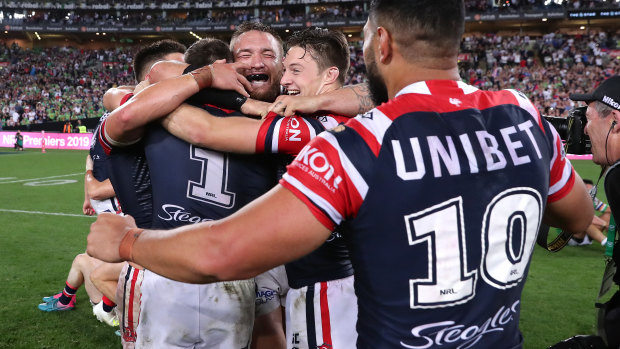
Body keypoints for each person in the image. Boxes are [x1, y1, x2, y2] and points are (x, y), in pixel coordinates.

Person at [89, 3, 594, 347]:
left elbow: (222, 253)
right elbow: (579, 215)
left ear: (382, 43)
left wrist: (130, 243)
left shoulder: (359, 144)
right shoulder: (525, 117)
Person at [161, 27, 358, 348]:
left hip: (322, 281)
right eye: (288, 70)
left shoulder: (306, 125)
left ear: (329, 75)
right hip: (309, 272)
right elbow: (160, 69)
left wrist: (145, 104)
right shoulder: (337, 113)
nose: (286, 79)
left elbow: (203, 130)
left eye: (295, 70)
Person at [99, 36, 286, 349]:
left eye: (267, 53)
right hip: (229, 272)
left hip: (161, 262)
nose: (255, 62)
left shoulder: (155, 114)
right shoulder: (273, 123)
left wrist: (203, 79)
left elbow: (134, 96)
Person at [38, 112, 121, 330]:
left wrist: (90, 192)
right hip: (113, 213)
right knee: (93, 258)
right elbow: (91, 159)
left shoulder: (106, 132)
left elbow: (90, 161)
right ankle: (68, 299)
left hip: (109, 301)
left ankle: (71, 301)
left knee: (84, 260)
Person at [567, 178, 611, 246]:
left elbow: (608, 209)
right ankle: (608, 244)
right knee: (584, 220)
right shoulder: (573, 199)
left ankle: (601, 238)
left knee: (610, 214)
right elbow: (586, 217)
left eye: (590, 190)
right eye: (586, 189)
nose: (589, 192)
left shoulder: (591, 198)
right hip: (571, 238)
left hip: (586, 236)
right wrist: (605, 224)